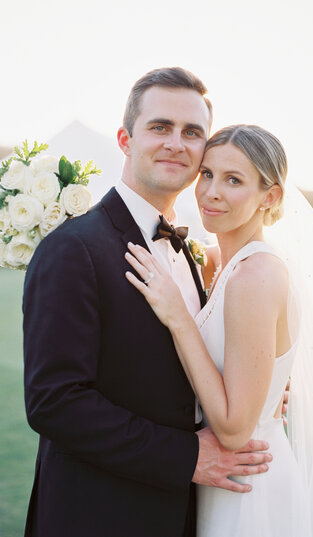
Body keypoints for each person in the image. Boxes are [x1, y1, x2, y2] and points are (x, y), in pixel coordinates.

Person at [22, 69, 274, 537]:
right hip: (96, 517)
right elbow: (54, 402)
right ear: (125, 139)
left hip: (182, 515)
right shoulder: (74, 248)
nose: (176, 143)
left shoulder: (191, 253)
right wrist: (187, 456)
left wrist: (261, 384)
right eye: (160, 127)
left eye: (192, 132)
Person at [125, 124, 313, 536]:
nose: (211, 191)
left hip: (251, 487)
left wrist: (179, 317)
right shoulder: (216, 261)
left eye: (233, 180)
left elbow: (235, 430)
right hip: (218, 482)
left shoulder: (256, 276)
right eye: (207, 174)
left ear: (269, 197)